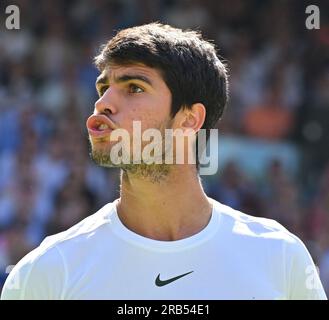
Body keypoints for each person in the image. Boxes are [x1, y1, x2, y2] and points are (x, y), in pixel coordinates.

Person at [1, 23, 327, 300]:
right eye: (103, 87)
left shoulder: (281, 258)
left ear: (189, 120)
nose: (102, 103)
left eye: (133, 87)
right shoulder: (47, 271)